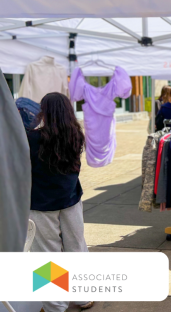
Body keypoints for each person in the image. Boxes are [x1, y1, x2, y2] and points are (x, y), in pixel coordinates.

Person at [28, 93, 94, 312]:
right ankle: (83, 297)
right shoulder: (75, 135)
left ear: (45, 111)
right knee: (77, 247)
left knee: (47, 255)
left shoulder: (31, 138)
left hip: (41, 203)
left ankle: (56, 306)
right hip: (71, 200)